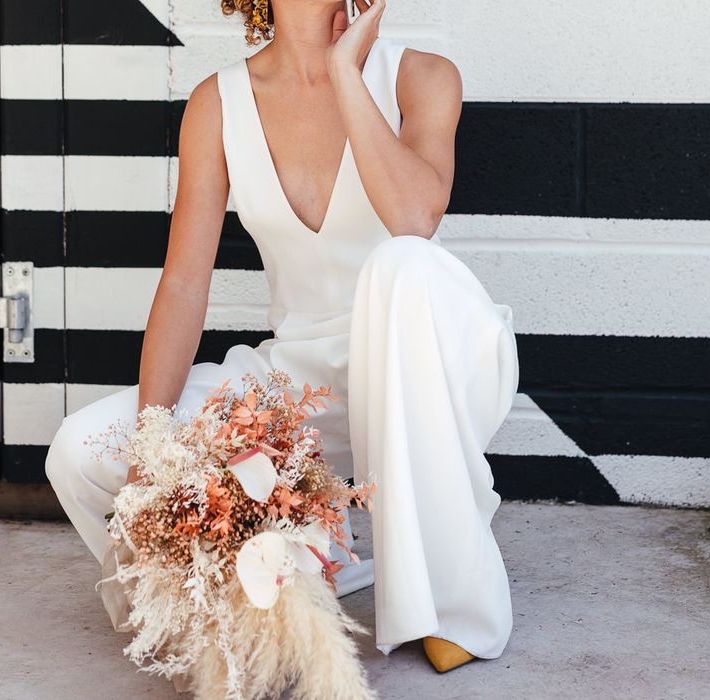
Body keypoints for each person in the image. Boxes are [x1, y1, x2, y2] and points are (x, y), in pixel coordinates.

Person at [45, 0, 519, 675]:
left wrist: (346, 75)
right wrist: (151, 443)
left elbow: (416, 217)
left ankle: (453, 605)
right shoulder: (219, 103)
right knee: (79, 452)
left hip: (432, 361)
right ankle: (285, 571)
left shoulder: (421, 76)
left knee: (400, 261)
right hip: (302, 379)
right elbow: (184, 284)